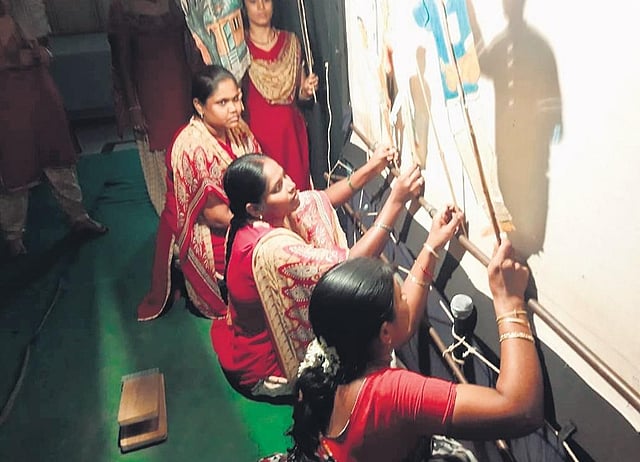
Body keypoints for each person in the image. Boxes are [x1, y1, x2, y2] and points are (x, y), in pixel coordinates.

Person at [217, 151, 463, 401]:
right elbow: (351, 263)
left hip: (241, 340)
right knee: (395, 328)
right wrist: (397, 202)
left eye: (285, 175)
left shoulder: (253, 220)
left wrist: (373, 167)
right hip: (266, 367)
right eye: (278, 187)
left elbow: (319, 200)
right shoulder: (271, 251)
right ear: (255, 208)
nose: (291, 185)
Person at [289, 240, 543, 461]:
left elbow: (404, 324)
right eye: (401, 297)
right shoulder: (391, 393)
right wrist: (509, 302)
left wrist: (432, 246)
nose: (406, 300)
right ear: (384, 333)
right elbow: (520, 411)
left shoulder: (332, 353)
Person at [136, 64, 260, 321]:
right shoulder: (191, 147)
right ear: (199, 106)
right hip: (203, 225)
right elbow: (215, 216)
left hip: (243, 213)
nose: (235, 108)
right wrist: (263, 222)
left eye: (236, 99)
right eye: (223, 102)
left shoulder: (238, 129)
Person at [0, 1, 107, 257]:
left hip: (40, 93)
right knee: (15, 166)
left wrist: (40, 54)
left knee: (59, 158)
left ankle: (78, 217)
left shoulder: (25, 11)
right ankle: (13, 235)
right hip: (7, 101)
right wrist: (14, 61)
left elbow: (44, 49)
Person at [108, 0, 202, 215]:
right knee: (161, 161)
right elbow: (121, 62)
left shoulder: (176, 3)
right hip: (149, 95)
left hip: (182, 88)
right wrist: (133, 106)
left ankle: (194, 215)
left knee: (189, 151)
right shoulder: (122, 7)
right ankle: (171, 219)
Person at [242, 0, 318, 191]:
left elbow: (299, 95)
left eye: (266, 0)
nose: (261, 7)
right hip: (257, 141)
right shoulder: (239, 49)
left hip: (291, 138)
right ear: (244, 6)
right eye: (253, 2)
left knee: (296, 195)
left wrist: (306, 90)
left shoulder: (291, 42)